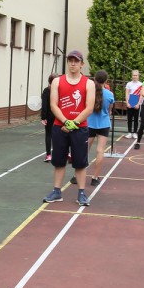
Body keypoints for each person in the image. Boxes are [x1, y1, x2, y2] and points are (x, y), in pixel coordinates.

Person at [43, 50, 96, 207]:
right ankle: (57, 191)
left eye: (76, 61)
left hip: (80, 129)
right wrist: (66, 121)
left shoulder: (89, 83)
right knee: (59, 161)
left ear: (82, 64)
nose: (73, 63)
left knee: (80, 162)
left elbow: (89, 107)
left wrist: (74, 123)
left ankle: (81, 193)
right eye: (70, 60)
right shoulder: (57, 82)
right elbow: (53, 104)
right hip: (60, 127)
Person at [86, 70, 115, 186]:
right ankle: (95, 177)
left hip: (90, 123)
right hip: (104, 124)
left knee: (85, 150)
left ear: (94, 79)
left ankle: (77, 175)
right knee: (100, 150)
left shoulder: (90, 92)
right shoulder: (110, 94)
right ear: (106, 81)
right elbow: (109, 110)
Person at [40, 74, 57, 162]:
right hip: (58, 115)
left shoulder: (46, 90)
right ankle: (66, 153)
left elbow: (44, 105)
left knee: (49, 134)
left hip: (49, 116)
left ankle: (48, 155)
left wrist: (43, 117)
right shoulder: (60, 91)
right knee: (61, 134)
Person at [124, 70, 142, 138]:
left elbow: (141, 95)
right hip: (130, 102)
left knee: (136, 119)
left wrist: (138, 104)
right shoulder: (129, 84)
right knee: (129, 119)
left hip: (137, 102)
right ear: (132, 76)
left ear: (138, 76)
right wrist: (127, 102)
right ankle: (129, 132)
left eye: (136, 75)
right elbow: (127, 94)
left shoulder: (141, 84)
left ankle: (135, 132)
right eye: (133, 75)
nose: (135, 76)